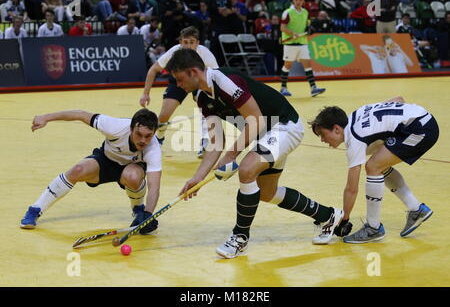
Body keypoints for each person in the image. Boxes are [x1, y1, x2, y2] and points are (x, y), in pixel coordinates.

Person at [166, 48, 344, 259]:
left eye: (179, 79)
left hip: (284, 125)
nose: (178, 85)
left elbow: (256, 118)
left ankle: (240, 237)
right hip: (265, 134)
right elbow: (216, 142)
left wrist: (231, 156)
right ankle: (328, 215)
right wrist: (197, 177)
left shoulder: (225, 81)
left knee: (247, 170)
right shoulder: (202, 99)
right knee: (267, 192)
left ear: (194, 72)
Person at [309, 97, 439, 243]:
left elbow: (351, 189)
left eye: (322, 134)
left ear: (337, 129)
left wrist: (344, 219)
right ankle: (416, 209)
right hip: (422, 119)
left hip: (420, 130)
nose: (322, 140)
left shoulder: (354, 139)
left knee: (373, 167)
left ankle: (373, 228)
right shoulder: (355, 115)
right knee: (378, 162)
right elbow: (399, 99)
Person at [20, 108, 162, 235]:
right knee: (77, 170)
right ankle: (35, 209)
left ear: (154, 133)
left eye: (148, 136)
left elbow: (154, 186)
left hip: (132, 167)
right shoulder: (115, 127)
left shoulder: (153, 149)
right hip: (105, 161)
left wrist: (148, 213)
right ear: (131, 129)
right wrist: (46, 117)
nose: (143, 140)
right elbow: (80, 114)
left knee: (132, 177)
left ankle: (138, 209)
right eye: (138, 134)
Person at [140, 26, 218, 158]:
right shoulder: (174, 51)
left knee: (206, 107)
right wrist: (145, 93)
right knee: (164, 115)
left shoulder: (204, 53)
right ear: (180, 42)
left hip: (199, 82)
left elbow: (216, 74)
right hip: (179, 82)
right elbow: (154, 69)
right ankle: (159, 138)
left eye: (192, 42)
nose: (188, 45)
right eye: (185, 42)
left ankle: (205, 141)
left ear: (197, 43)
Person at [279, 0, 325, 97]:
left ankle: (313, 88)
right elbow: (282, 28)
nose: (298, 2)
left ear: (303, 1)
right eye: (296, 0)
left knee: (307, 64)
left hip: (302, 42)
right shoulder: (288, 12)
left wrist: (310, 29)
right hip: (290, 43)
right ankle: (283, 88)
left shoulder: (305, 12)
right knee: (288, 65)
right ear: (293, 0)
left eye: (300, 0)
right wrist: (293, 33)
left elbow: (307, 26)